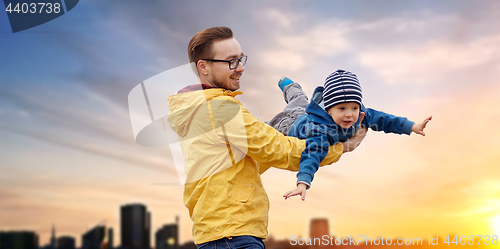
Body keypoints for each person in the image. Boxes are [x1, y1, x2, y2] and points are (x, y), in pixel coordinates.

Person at [166, 27, 367, 248]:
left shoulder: (202, 109)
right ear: (203, 66)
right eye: (231, 61)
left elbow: (251, 160)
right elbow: (276, 149)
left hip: (225, 232)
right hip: (232, 235)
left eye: (241, 59)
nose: (240, 68)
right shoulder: (219, 109)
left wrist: (281, 131)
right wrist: (341, 147)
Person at [266, 70, 432, 201]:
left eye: (353, 108)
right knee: (288, 108)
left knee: (300, 100)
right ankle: (286, 83)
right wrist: (303, 182)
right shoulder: (321, 130)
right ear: (329, 109)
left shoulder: (360, 114)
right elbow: (312, 154)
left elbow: (385, 119)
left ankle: (289, 85)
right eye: (342, 109)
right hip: (288, 126)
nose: (349, 115)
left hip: (306, 113)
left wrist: (412, 127)